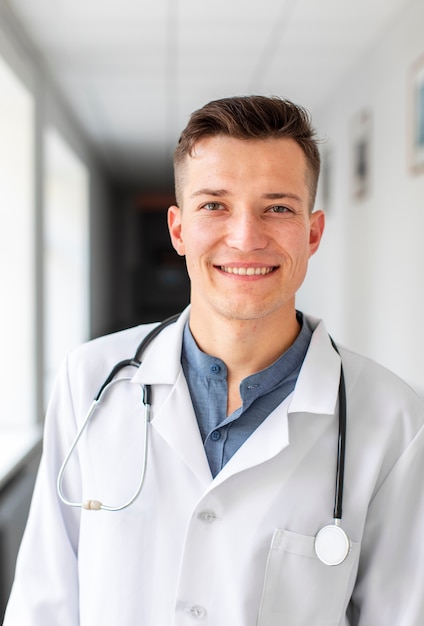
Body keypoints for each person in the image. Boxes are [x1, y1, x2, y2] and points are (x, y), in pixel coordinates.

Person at [4, 96, 424, 626]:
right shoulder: (89, 382)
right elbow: (44, 602)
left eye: (277, 207)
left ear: (313, 233)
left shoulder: (394, 419)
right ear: (178, 230)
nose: (246, 237)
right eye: (214, 205)